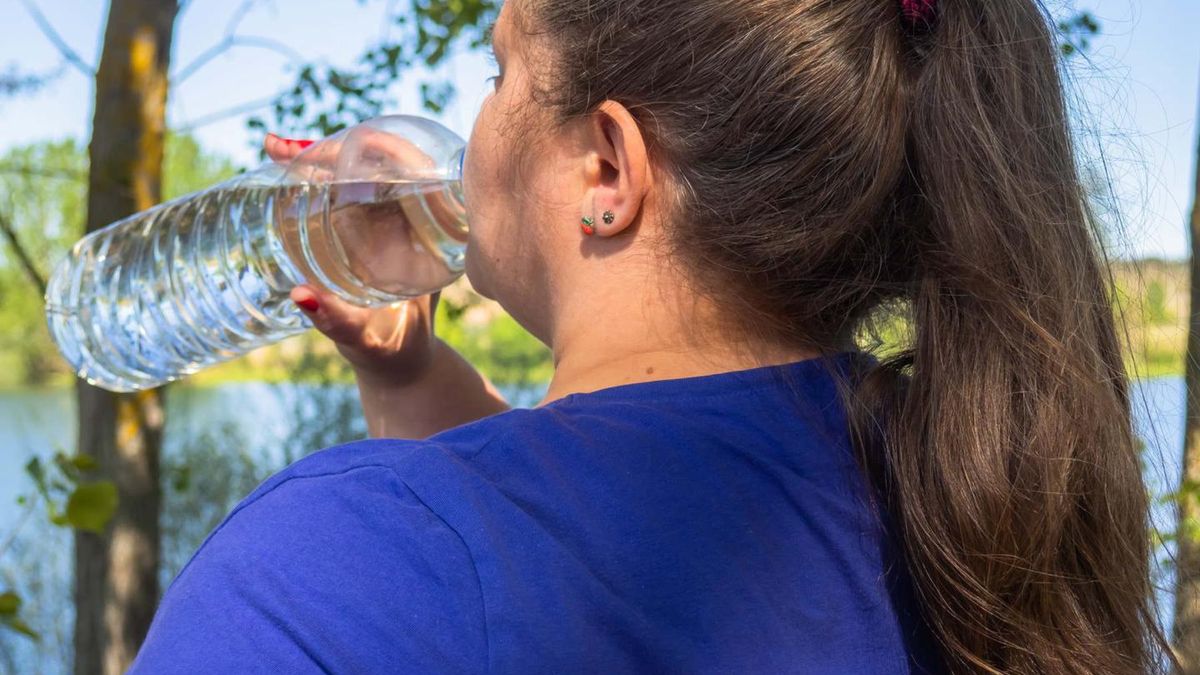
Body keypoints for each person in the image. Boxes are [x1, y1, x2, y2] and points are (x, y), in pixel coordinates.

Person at [129, 0, 1172, 672]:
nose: (473, 121)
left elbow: (484, 572)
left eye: (499, 74)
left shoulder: (319, 569)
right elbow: (567, 537)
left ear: (609, 172)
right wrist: (408, 376)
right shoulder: (977, 495)